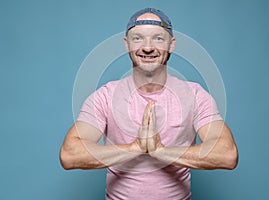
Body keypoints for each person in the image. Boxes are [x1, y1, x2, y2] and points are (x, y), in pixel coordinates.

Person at [60, 8, 238, 200]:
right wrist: (135, 148)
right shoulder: (105, 96)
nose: (147, 47)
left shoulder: (194, 95)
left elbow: (227, 154)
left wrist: (161, 151)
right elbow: (69, 155)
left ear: (171, 44)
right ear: (127, 45)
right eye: (138, 38)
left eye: (158, 39)